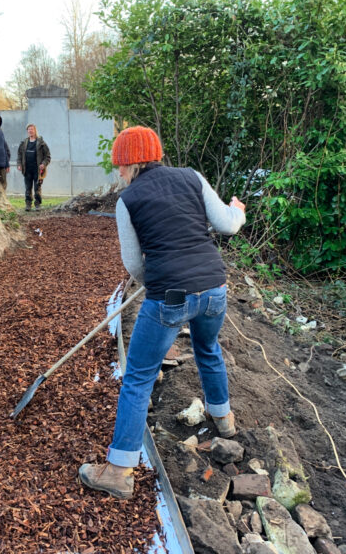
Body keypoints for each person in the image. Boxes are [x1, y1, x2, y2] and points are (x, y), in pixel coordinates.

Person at [78, 126, 246, 500]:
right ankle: (224, 422)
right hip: (215, 287)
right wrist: (237, 210)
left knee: (138, 377)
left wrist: (153, 281)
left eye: (120, 165)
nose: (119, 173)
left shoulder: (128, 200)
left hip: (169, 295)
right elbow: (227, 225)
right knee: (208, 349)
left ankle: (119, 471)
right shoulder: (192, 178)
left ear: (134, 162)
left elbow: (134, 264)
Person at [16, 124, 51, 211]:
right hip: (27, 169)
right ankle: (28, 204)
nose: (30, 131)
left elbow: (48, 156)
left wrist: (44, 164)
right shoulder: (24, 143)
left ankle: (37, 204)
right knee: (28, 188)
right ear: (27, 131)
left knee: (37, 187)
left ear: (35, 130)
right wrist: (19, 164)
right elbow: (19, 155)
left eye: (32, 129)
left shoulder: (41, 143)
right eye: (29, 129)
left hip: (38, 170)